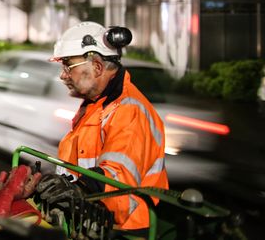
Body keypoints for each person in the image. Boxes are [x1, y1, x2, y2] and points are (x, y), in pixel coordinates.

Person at [40, 21, 169, 232]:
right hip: (90, 222)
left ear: (98, 67)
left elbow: (118, 180)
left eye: (68, 66)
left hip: (123, 230)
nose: (63, 75)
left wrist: (77, 190)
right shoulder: (98, 104)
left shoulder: (129, 111)